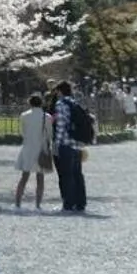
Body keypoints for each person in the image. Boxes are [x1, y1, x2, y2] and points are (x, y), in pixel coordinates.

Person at [52, 81, 89, 213]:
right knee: (77, 174)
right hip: (77, 144)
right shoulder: (75, 102)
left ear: (60, 91)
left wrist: (56, 143)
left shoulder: (61, 104)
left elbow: (61, 125)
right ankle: (80, 203)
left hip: (66, 143)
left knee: (66, 175)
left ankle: (68, 203)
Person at [13, 92, 51, 211]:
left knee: (24, 177)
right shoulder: (47, 117)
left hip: (28, 147)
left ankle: (18, 203)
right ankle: (38, 204)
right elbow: (49, 134)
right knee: (40, 178)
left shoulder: (24, 115)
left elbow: (23, 132)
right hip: (41, 147)